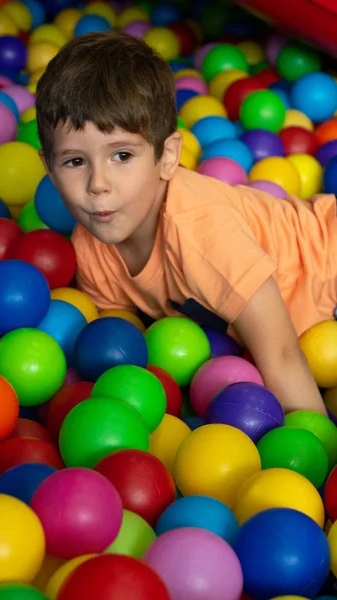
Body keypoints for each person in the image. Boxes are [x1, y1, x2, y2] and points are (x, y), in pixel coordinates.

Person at [36, 30, 337, 415]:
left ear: (167, 156)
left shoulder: (199, 231)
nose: (98, 185)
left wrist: (317, 457)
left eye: (122, 156)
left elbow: (280, 352)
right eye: (75, 162)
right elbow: (122, 349)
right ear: (48, 167)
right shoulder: (92, 251)